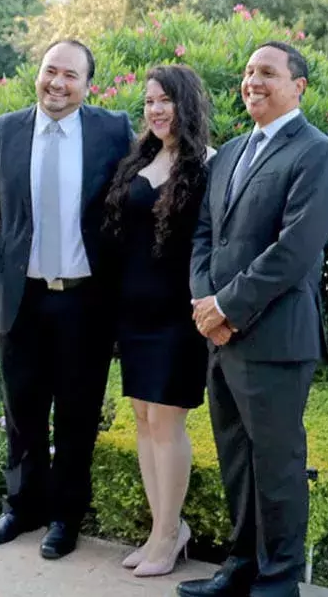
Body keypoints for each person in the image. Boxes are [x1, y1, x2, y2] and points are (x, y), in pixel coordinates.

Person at [179, 41, 328, 597]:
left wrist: (227, 307)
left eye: (268, 73)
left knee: (277, 467)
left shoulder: (317, 153)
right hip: (221, 339)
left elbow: (294, 250)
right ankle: (241, 568)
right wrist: (207, 307)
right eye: (249, 72)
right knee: (237, 462)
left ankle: (277, 583)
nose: (254, 81)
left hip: (275, 339)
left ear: (298, 86)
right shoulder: (226, 154)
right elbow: (204, 236)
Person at [0, 39, 133, 559]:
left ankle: (65, 518)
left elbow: (139, 200)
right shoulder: (4, 131)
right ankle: (21, 508)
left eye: (70, 76)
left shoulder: (112, 129)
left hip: (87, 302)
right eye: (50, 71)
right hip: (23, 298)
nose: (58, 83)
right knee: (22, 410)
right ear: (38, 74)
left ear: (87, 85)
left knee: (77, 415)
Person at [101, 65, 213, 577]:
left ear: (186, 104)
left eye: (165, 100)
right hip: (134, 312)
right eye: (148, 101)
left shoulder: (208, 165)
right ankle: (159, 529)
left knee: (166, 422)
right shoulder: (139, 158)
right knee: (144, 420)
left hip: (177, 315)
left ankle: (170, 535)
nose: (155, 110)